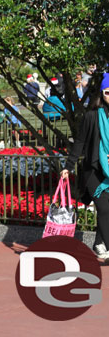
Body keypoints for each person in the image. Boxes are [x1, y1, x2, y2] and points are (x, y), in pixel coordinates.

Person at [61, 73, 109, 262]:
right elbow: (80, 142)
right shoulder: (91, 117)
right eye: (107, 92)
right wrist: (68, 166)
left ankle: (99, 243)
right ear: (101, 94)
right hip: (93, 171)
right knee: (104, 210)